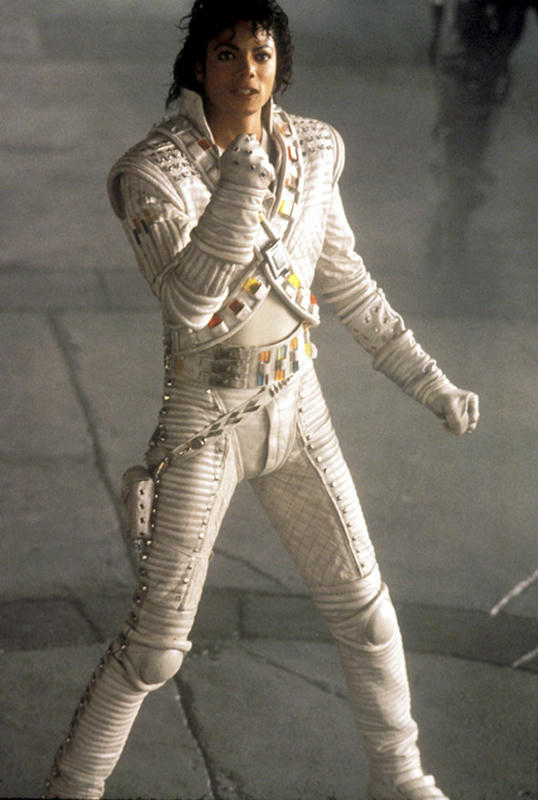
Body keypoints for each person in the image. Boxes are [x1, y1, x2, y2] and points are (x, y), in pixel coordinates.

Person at [43, 1, 479, 798]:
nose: (247, 70)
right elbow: (189, 304)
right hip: (206, 419)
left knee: (367, 612)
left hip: (297, 402)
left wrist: (429, 381)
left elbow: (346, 282)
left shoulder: (314, 149)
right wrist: (240, 191)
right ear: (196, 66)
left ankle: (400, 775)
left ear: (280, 64)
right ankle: (74, 786)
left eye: (262, 54)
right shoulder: (152, 174)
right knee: (156, 646)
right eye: (227, 53)